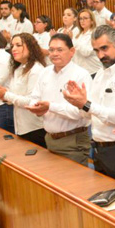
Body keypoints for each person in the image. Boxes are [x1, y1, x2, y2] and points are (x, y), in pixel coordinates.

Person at [61, 26, 115, 188]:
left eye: (104, 48)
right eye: (96, 51)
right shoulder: (101, 73)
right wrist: (78, 103)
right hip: (99, 148)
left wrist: (86, 104)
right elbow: (89, 115)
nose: (100, 55)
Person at [25, 34, 92, 164]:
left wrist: (50, 106)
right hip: (50, 139)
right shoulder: (45, 72)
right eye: (51, 50)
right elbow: (35, 97)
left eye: (60, 50)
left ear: (72, 51)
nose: (54, 54)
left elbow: (81, 112)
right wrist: (36, 107)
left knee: (72, 177)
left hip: (72, 140)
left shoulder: (81, 75)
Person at [0, 33, 47, 147]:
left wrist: (6, 94)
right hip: (21, 126)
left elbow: (32, 102)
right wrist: (3, 95)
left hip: (35, 127)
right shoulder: (18, 69)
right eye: (12, 46)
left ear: (31, 47)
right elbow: (15, 96)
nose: (13, 49)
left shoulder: (36, 69)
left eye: (18, 45)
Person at [72, 9, 102, 77]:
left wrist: (73, 41)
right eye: (80, 19)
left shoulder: (94, 34)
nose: (82, 21)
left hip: (92, 71)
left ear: (92, 21)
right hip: (80, 70)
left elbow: (86, 52)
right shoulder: (78, 34)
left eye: (85, 18)